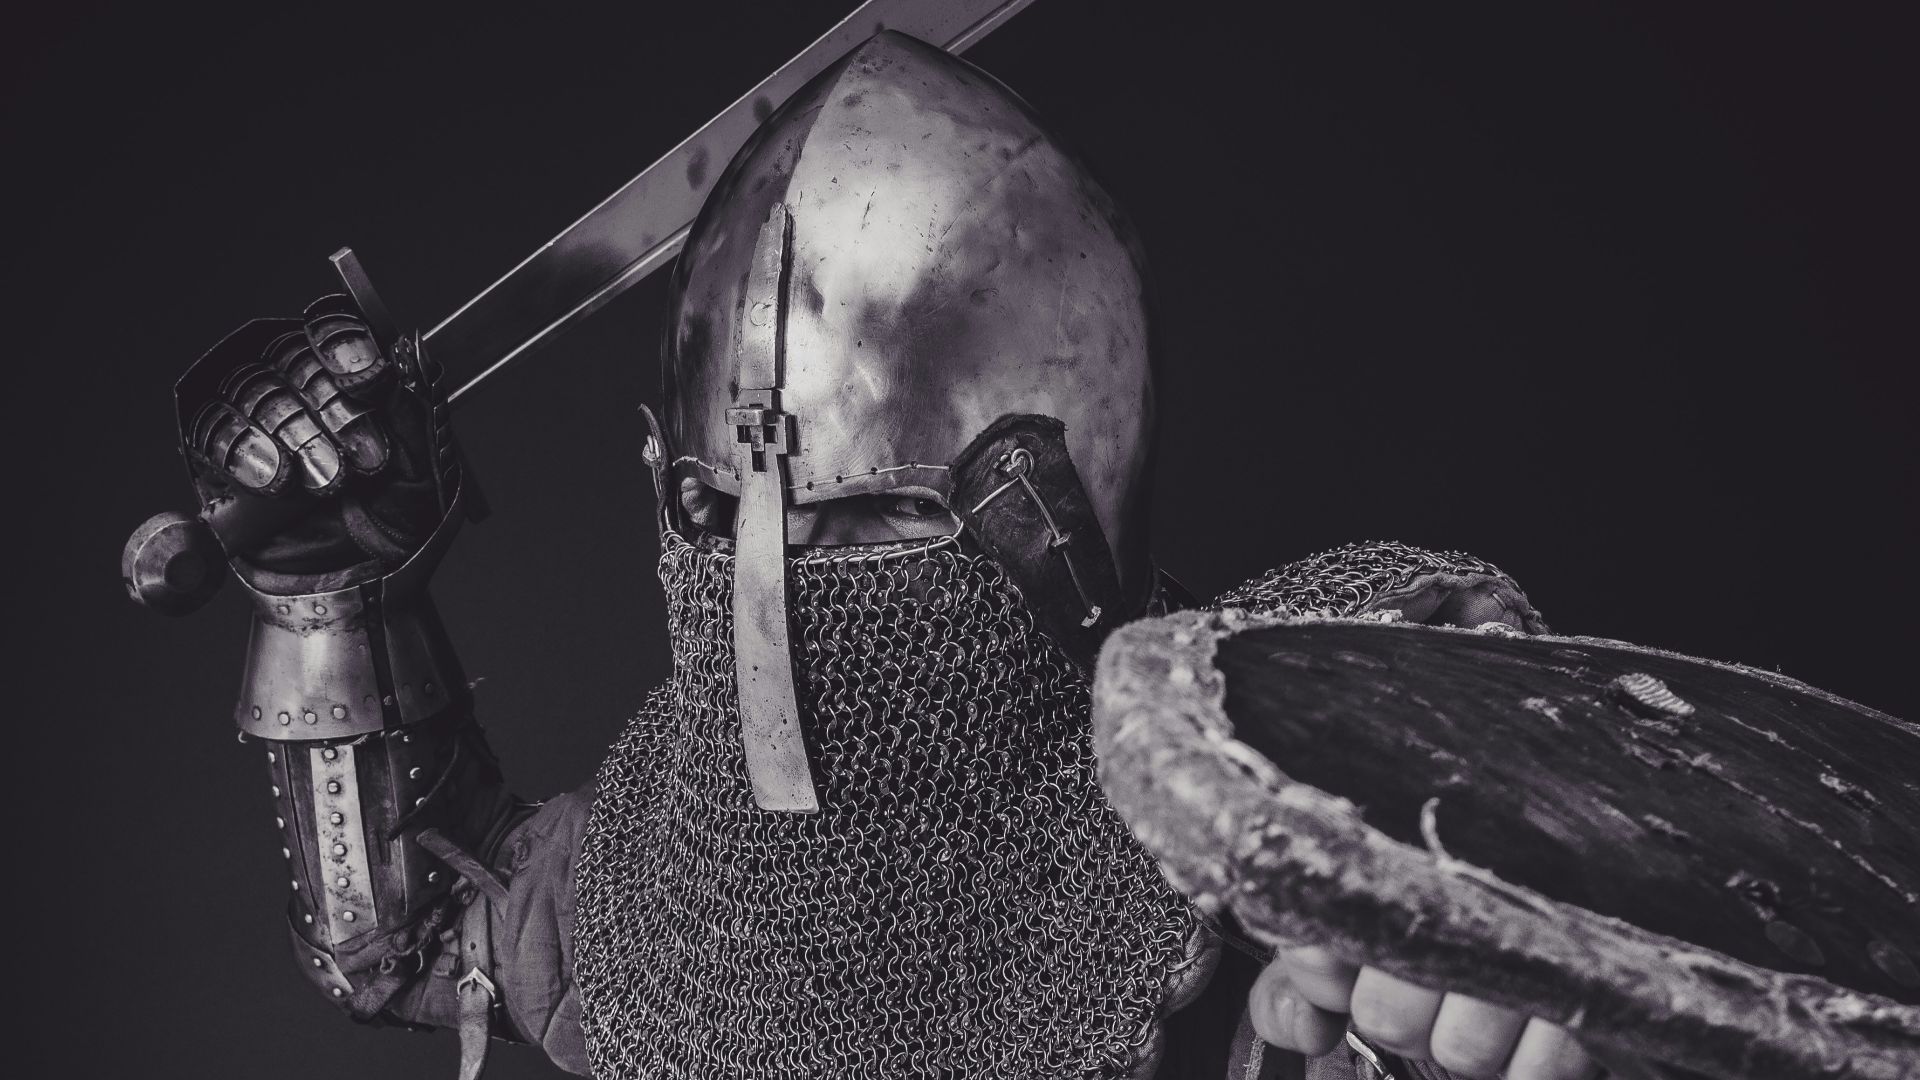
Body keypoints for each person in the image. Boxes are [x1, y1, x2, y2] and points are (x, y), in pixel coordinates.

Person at [163, 31, 1612, 1080]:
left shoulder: (1290, 827)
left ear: (1064, 513)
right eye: (714, 514)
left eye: (869, 518)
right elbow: (400, 934)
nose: (765, 601)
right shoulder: (672, 895)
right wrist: (328, 594)